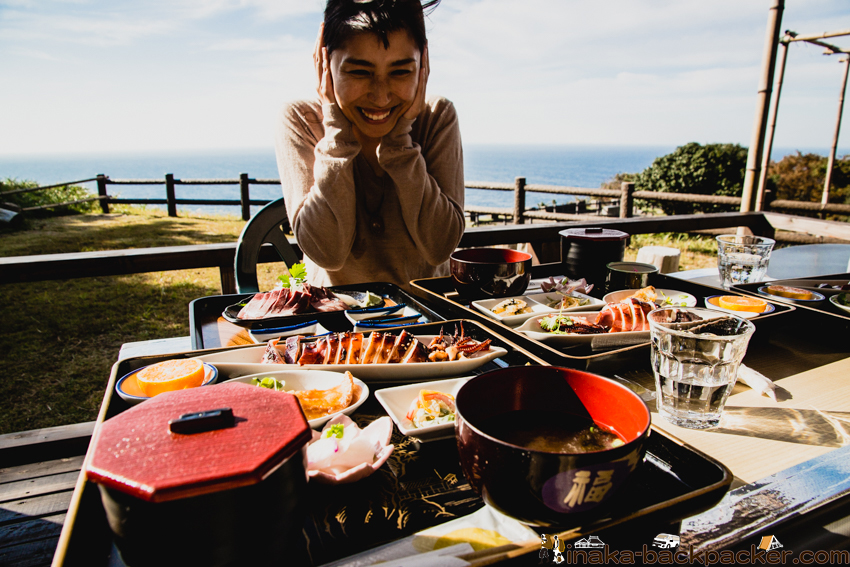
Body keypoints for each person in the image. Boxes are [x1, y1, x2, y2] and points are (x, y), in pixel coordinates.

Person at [274, 0, 464, 289]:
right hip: (335, 325)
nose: (380, 96)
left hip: (428, 323)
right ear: (325, 64)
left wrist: (400, 140)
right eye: (359, 72)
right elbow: (327, 252)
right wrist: (336, 129)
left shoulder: (437, 116)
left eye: (400, 72)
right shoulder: (301, 119)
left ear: (423, 64)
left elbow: (440, 246)